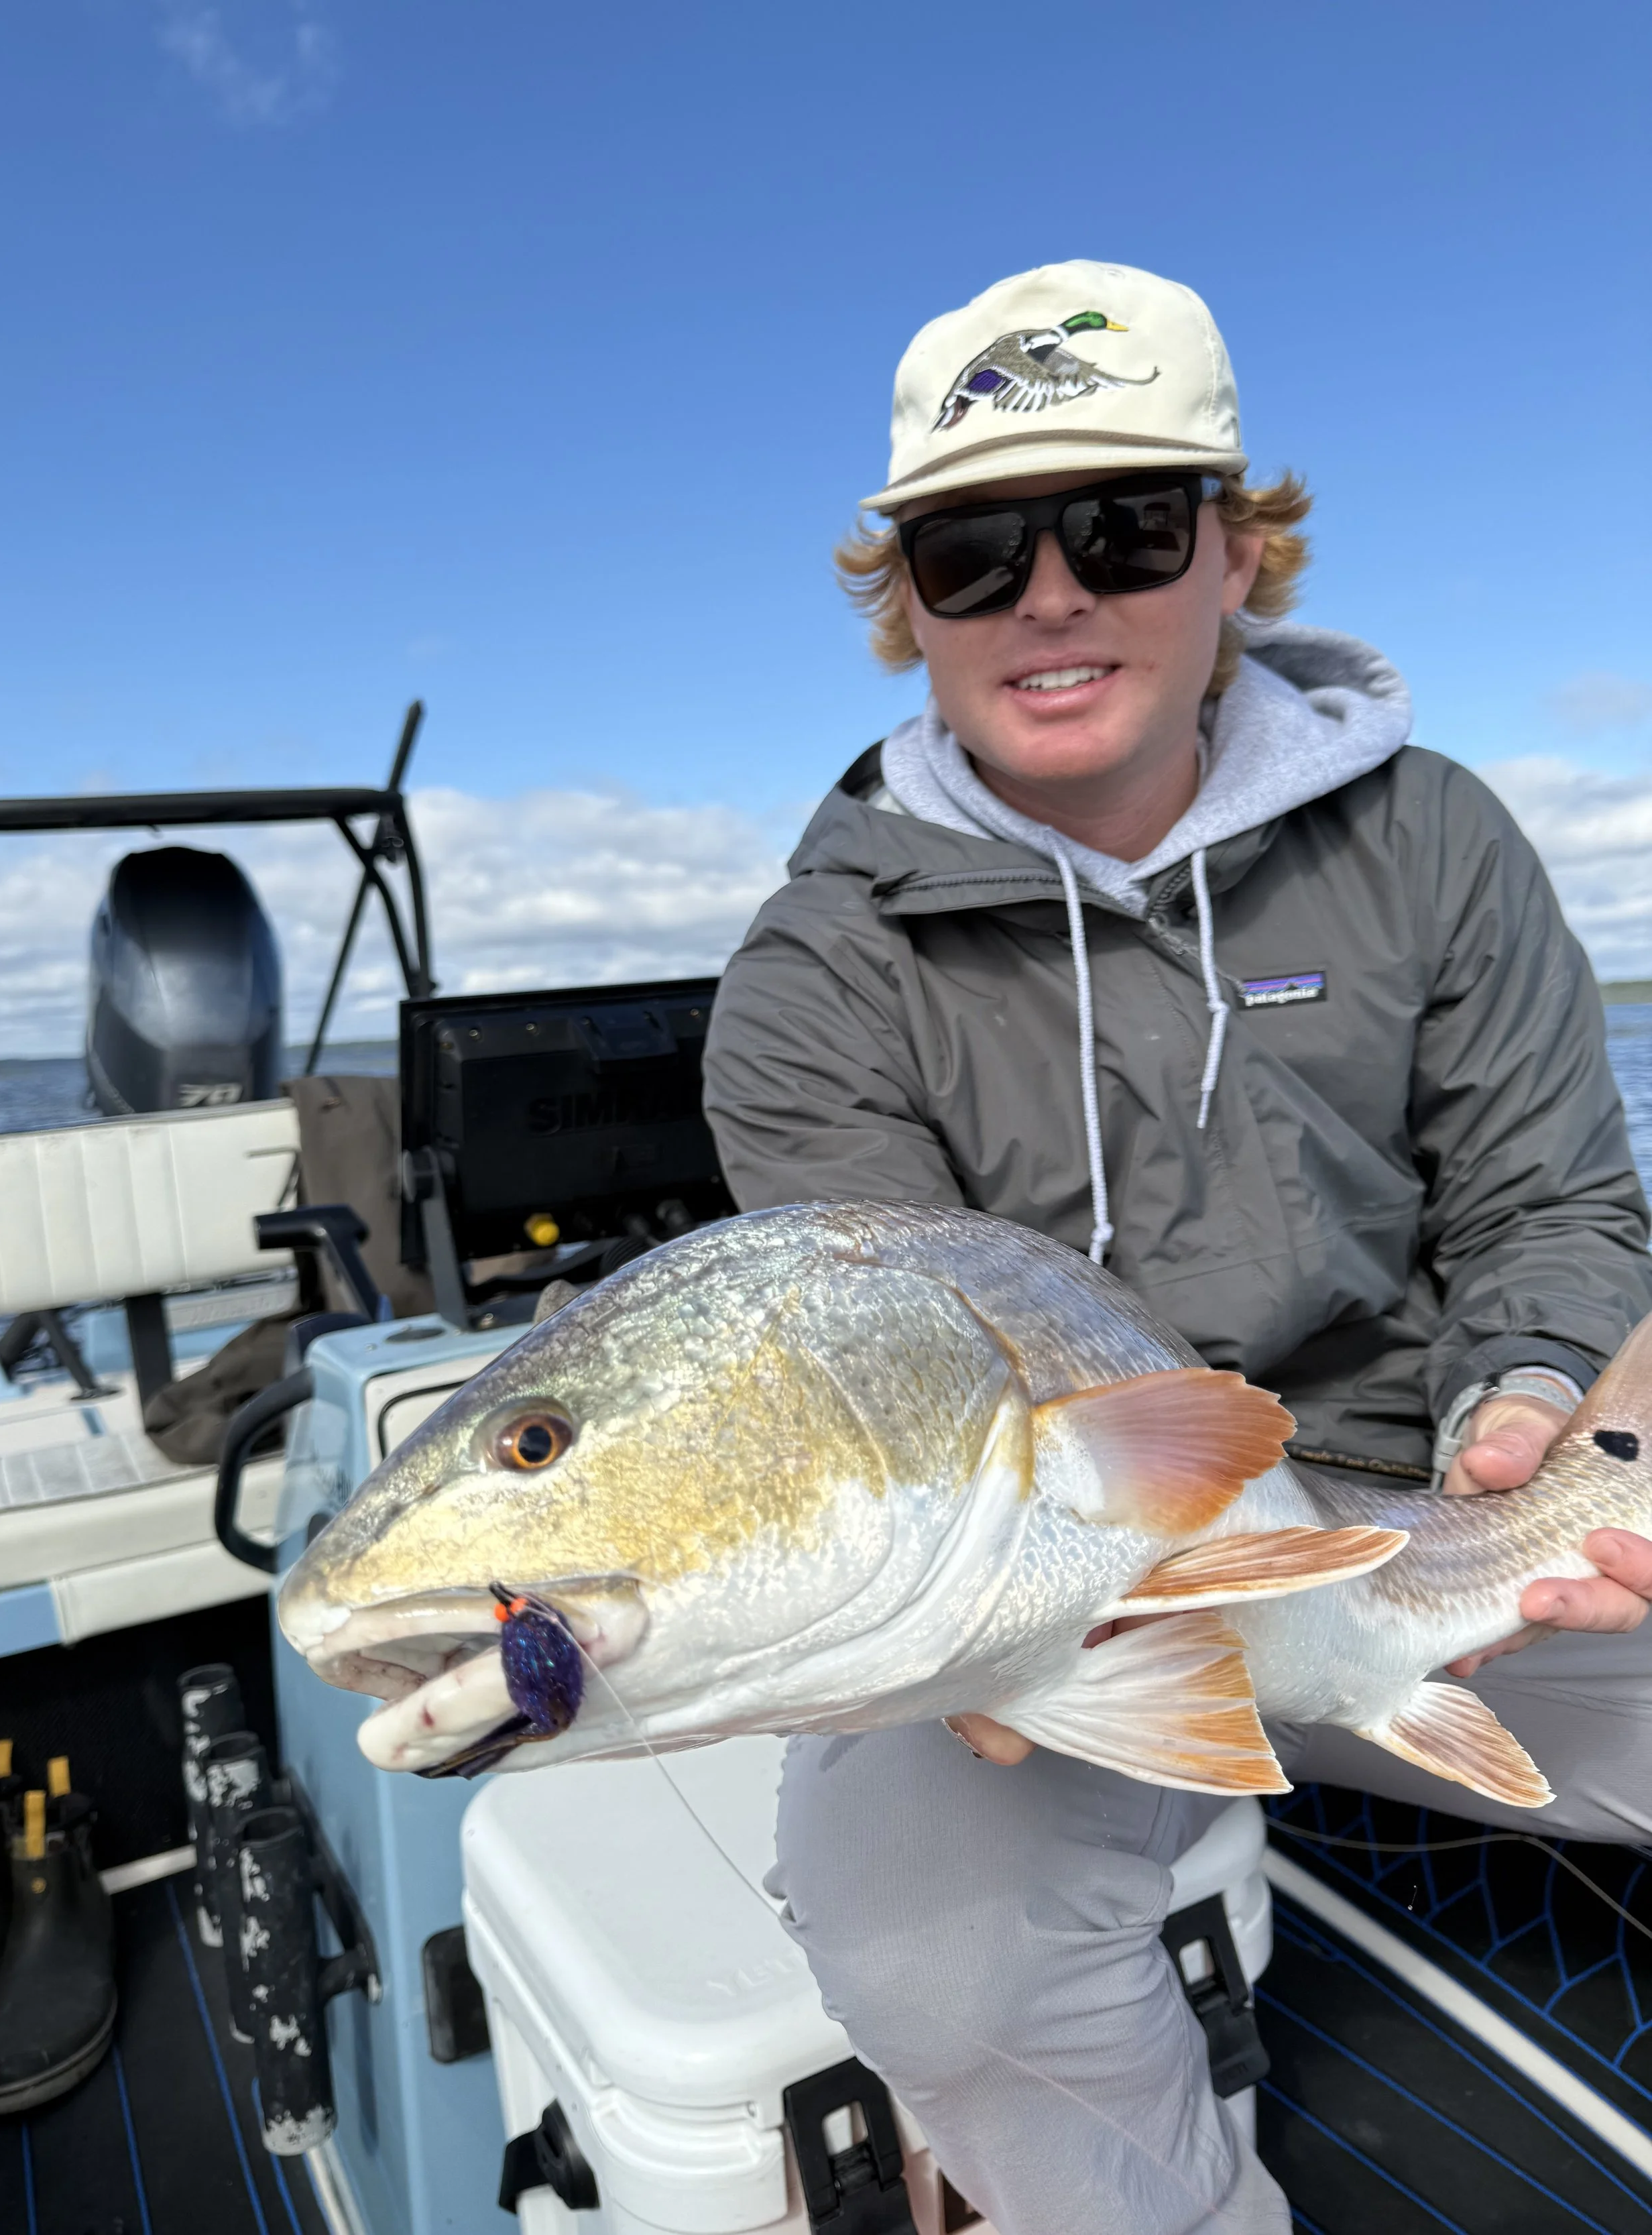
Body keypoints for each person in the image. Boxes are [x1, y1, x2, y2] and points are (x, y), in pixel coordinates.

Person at [701, 260, 1652, 2234]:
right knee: (930, 1962)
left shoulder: (1433, 839)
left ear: (1233, 551)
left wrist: (1532, 1411)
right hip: (1040, 1601)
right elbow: (879, 1383)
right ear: (910, 605)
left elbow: (1547, 1200)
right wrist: (1015, 1618)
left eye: (1123, 525)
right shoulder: (814, 977)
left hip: (1425, 1523)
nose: (1052, 593)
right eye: (972, 551)